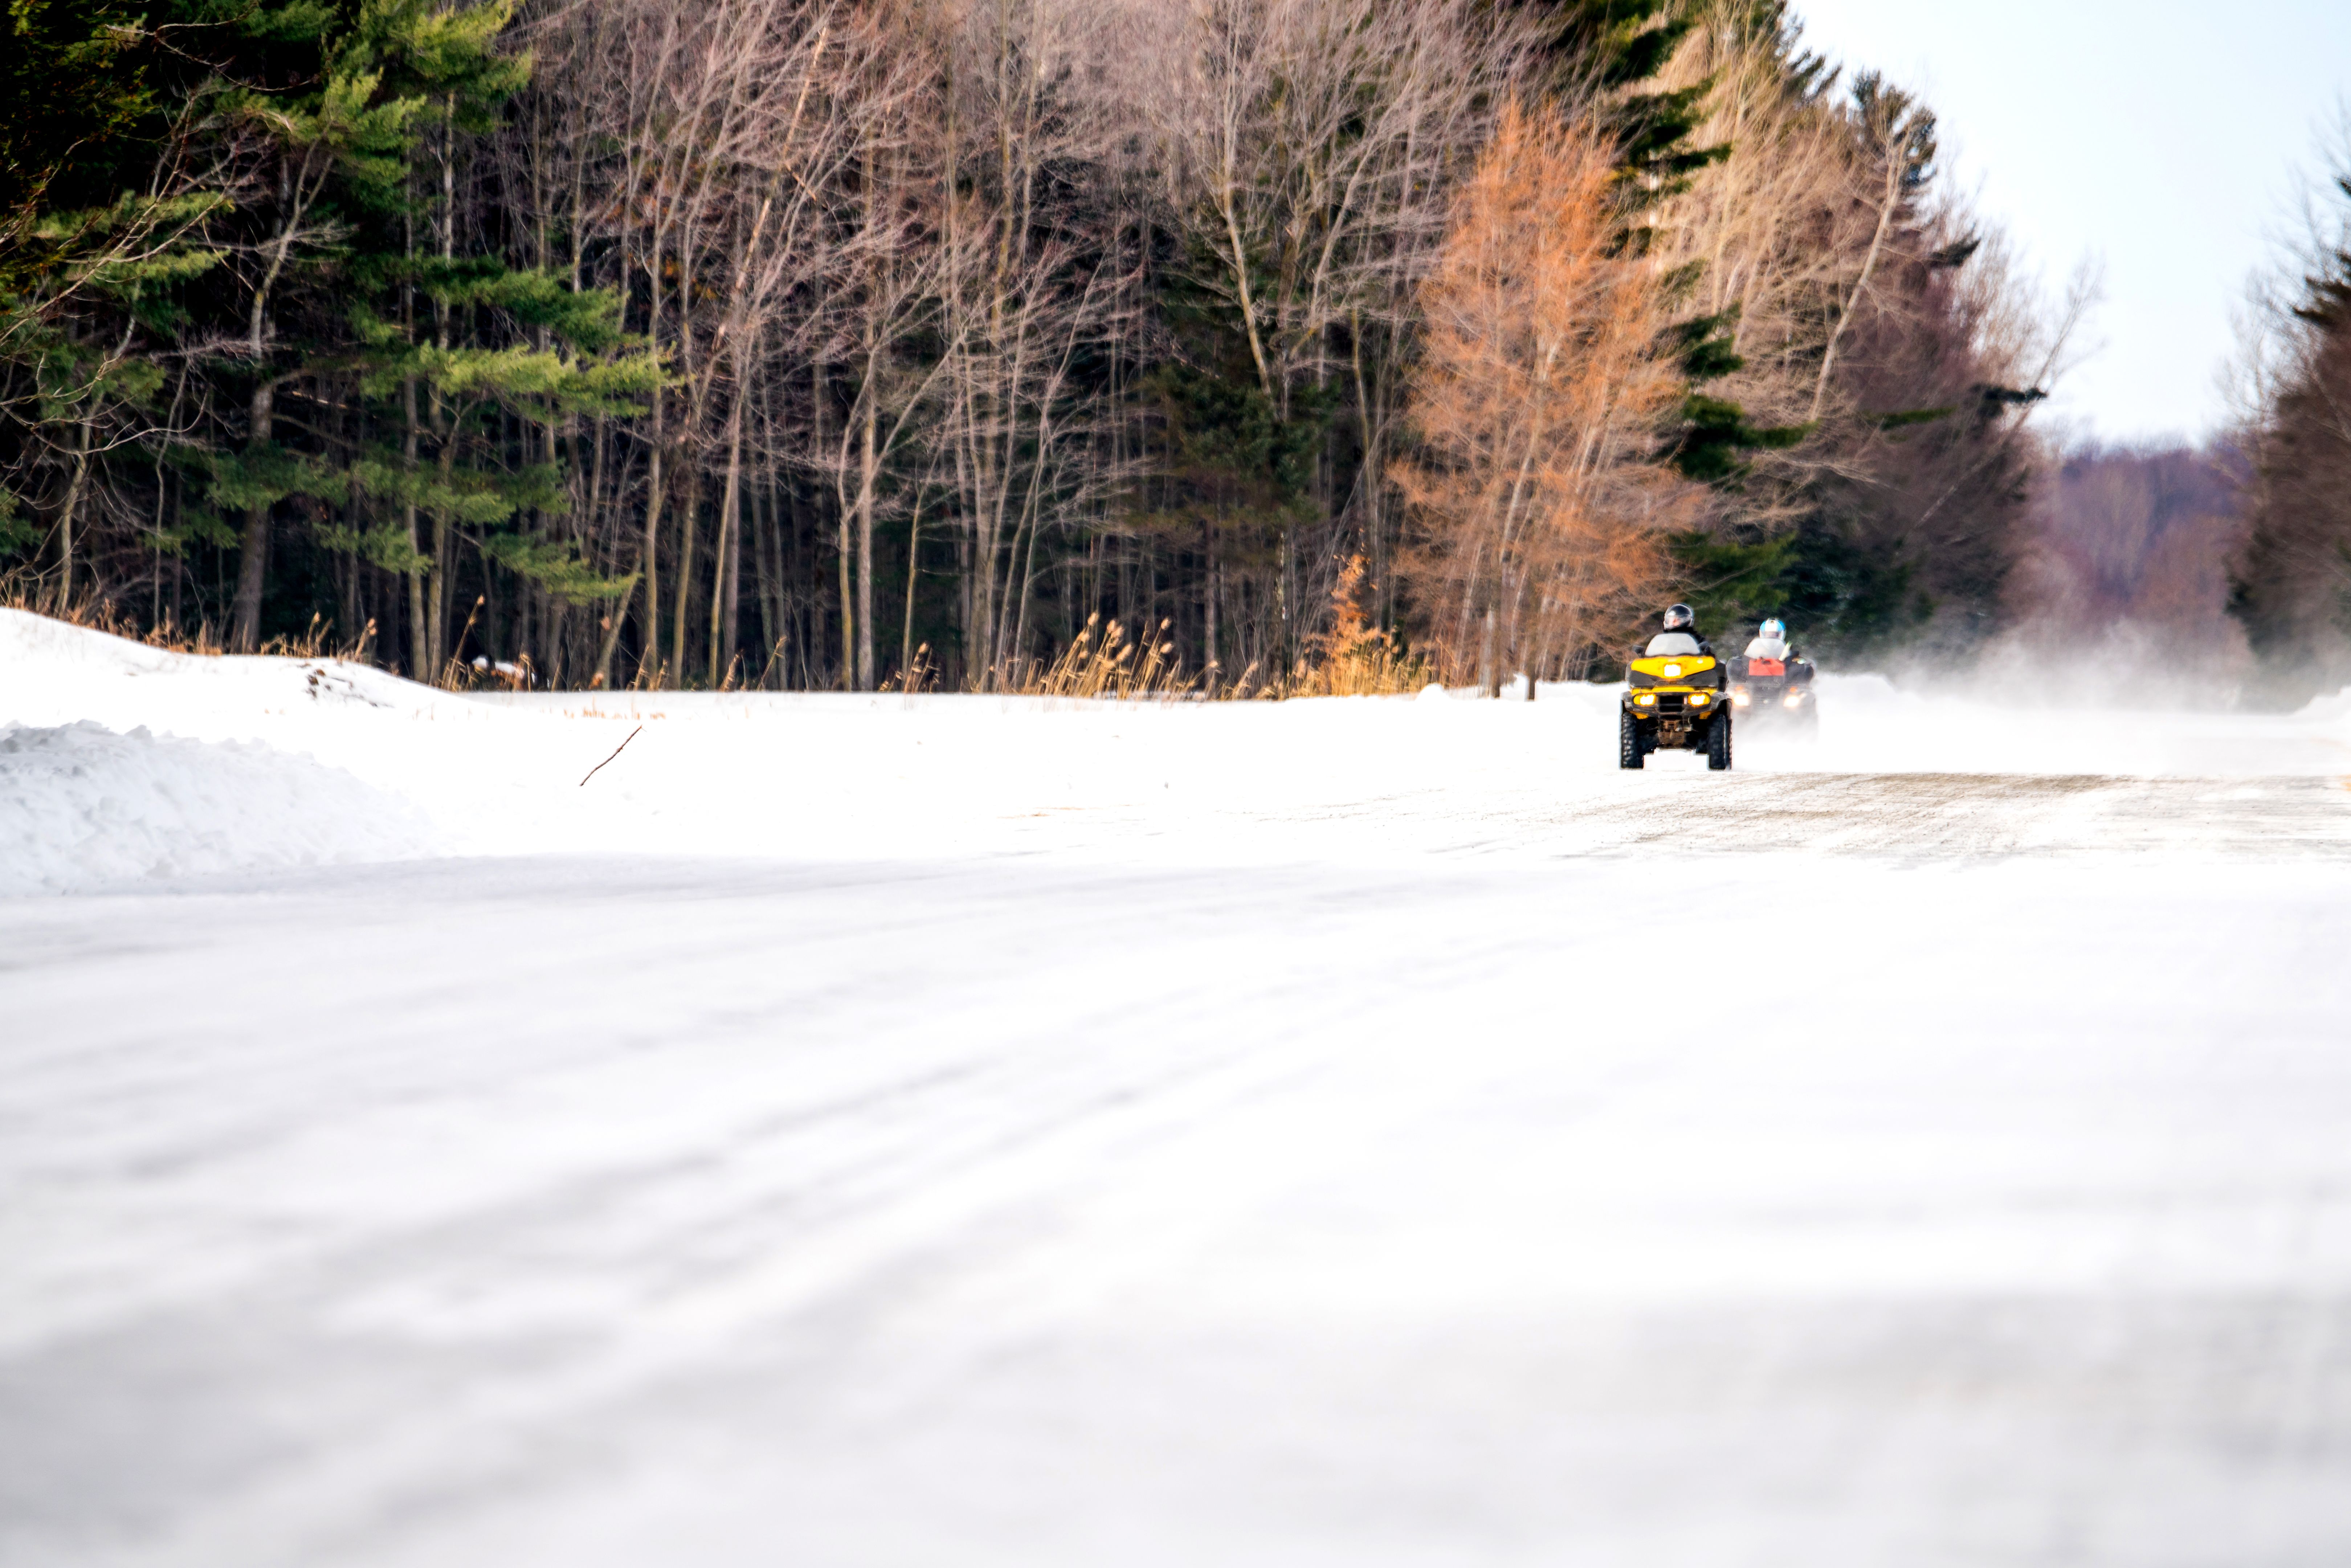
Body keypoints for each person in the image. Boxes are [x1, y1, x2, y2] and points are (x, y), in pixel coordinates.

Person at [1638, 603, 1714, 658]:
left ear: (1686, 620)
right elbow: (1653, 653)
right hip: (1662, 668)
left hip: (1691, 670)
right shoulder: (1661, 639)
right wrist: (1645, 655)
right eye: (1670, 620)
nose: (1672, 623)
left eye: (1677, 620)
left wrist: (1706, 651)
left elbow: (1709, 656)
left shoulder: (1696, 638)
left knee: (1717, 668)